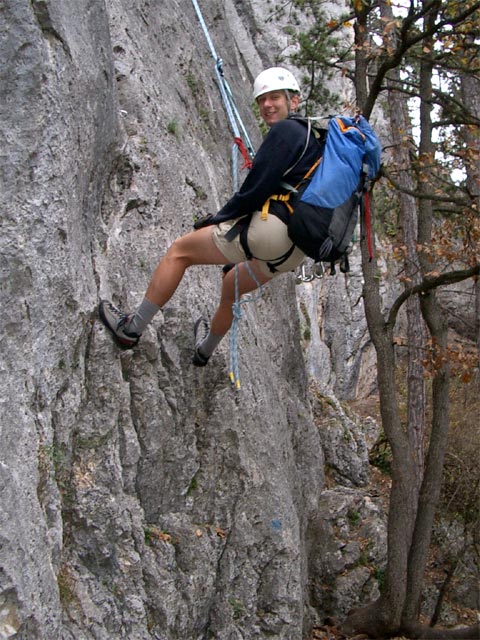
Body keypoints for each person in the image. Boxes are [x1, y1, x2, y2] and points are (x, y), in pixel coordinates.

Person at [99, 67, 323, 366]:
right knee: (231, 286)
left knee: (180, 252)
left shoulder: (285, 132)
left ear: (293, 101)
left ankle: (131, 329)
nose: (267, 105)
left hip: (271, 233)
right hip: (296, 249)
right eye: (261, 100)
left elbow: (256, 189)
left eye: (275, 98)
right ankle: (205, 351)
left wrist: (219, 219)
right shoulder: (317, 142)